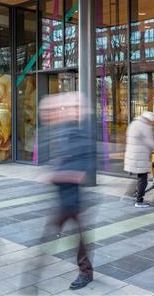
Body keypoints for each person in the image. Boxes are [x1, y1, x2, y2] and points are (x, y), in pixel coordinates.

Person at [38, 92, 94, 290]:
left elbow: (82, 165)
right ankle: (85, 271)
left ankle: (85, 272)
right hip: (64, 196)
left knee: (74, 237)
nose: (46, 115)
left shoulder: (75, 130)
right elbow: (63, 159)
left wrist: (57, 175)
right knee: (75, 236)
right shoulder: (60, 130)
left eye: (49, 111)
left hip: (72, 197)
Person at [124, 111, 154, 208]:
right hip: (140, 157)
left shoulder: (134, 123)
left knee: (140, 178)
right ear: (150, 120)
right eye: (153, 122)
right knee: (143, 180)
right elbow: (151, 143)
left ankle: (130, 194)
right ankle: (139, 201)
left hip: (133, 155)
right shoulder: (145, 127)